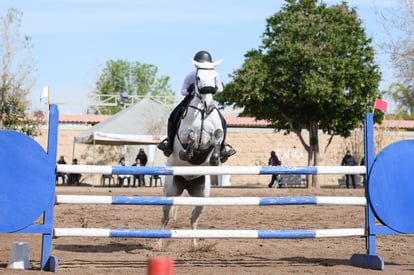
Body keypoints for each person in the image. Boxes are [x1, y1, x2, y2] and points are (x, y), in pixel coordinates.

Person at [157, 50, 236, 162]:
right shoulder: (190, 75)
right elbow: (182, 91)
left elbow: (220, 88)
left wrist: (215, 89)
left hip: (208, 98)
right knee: (173, 116)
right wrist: (189, 90)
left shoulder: (214, 74)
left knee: (223, 121)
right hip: (191, 98)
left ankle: (222, 149)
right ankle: (169, 144)